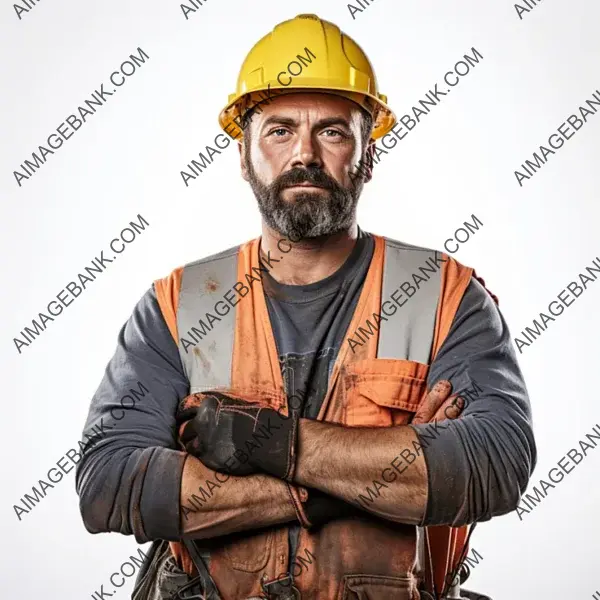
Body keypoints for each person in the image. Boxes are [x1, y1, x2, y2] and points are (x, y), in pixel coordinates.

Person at [75, 13, 536, 600]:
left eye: (334, 132)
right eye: (279, 130)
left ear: (367, 155)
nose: (306, 154)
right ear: (244, 156)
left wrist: (270, 444)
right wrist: (363, 473)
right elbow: (110, 484)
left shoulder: (442, 295)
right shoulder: (180, 306)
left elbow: (495, 463)